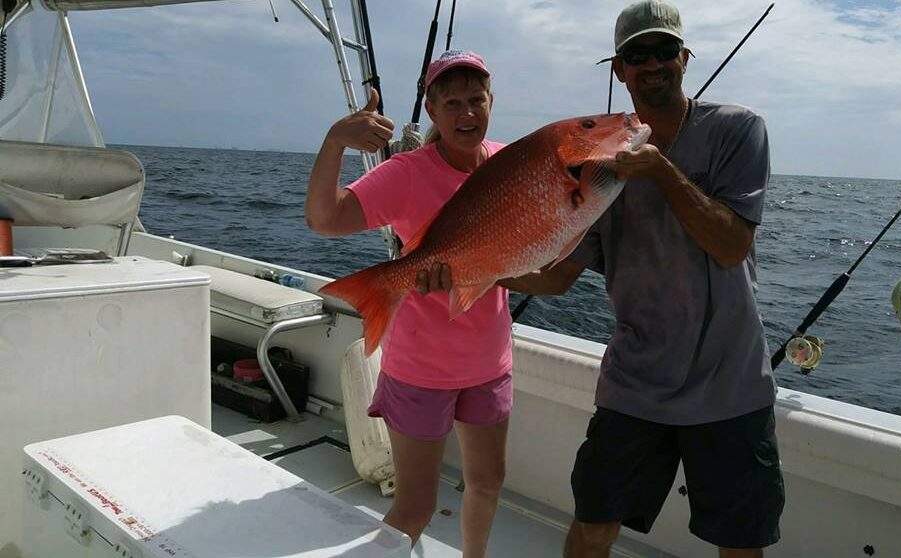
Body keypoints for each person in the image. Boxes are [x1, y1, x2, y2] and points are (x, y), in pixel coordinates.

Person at [417, 2, 784, 556]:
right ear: (619, 69)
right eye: (637, 55)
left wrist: (661, 170)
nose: (652, 64)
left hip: (731, 385)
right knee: (593, 526)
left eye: (664, 51)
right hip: (635, 384)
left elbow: (732, 246)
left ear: (685, 58)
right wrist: (476, 272)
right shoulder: (599, 163)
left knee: (739, 542)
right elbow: (559, 275)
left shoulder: (737, 130)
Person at [304, 50, 512, 557]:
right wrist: (335, 141)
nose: (467, 114)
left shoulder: (508, 165)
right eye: (453, 103)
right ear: (433, 109)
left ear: (492, 102)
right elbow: (324, 218)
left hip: (489, 362)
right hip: (421, 368)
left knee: (487, 483)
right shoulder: (407, 173)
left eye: (477, 101)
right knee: (416, 505)